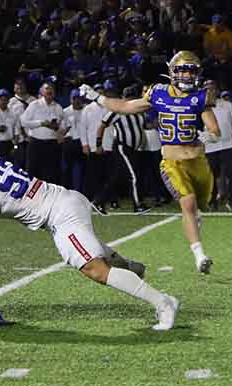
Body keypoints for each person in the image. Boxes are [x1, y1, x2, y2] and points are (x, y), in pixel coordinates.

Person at [0, 145, 179, 330]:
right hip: (64, 198)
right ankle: (130, 267)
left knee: (94, 269)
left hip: (59, 216)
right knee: (95, 254)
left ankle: (163, 302)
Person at [80, 51, 221, 274]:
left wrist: (207, 136)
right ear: (172, 72)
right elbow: (126, 107)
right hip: (172, 161)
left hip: (198, 161)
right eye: (182, 71)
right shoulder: (158, 94)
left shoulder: (201, 97)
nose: (186, 76)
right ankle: (199, 255)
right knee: (188, 202)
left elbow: (215, 130)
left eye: (190, 71)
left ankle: (194, 218)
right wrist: (98, 98)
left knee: (199, 205)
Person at [95, 84, 149, 213]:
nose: (130, 100)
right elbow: (102, 126)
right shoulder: (117, 111)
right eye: (129, 98)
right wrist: (98, 144)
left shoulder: (138, 111)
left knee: (118, 176)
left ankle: (98, 201)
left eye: (133, 97)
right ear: (124, 98)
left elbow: (143, 127)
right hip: (122, 146)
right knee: (133, 175)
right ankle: (137, 205)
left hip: (134, 148)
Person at [204, 85, 232, 211]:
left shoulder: (227, 104)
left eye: (213, 88)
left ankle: (231, 201)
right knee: (211, 176)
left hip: (228, 144)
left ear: (217, 90)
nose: (210, 91)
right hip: (210, 146)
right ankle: (211, 201)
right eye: (207, 89)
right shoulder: (201, 106)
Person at [20, 81, 63, 184]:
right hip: (36, 144)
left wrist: (57, 128)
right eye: (47, 88)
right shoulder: (34, 105)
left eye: (52, 89)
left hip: (52, 145)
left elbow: (63, 126)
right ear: (42, 91)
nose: (50, 91)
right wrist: (41, 123)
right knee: (32, 174)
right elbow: (23, 122)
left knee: (50, 175)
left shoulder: (58, 107)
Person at [61, 89, 86, 194]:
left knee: (80, 169)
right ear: (70, 99)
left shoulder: (86, 110)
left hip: (82, 142)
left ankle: (79, 192)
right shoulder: (65, 111)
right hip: (68, 142)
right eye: (74, 98)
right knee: (66, 169)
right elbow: (61, 128)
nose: (76, 101)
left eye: (79, 98)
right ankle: (66, 192)